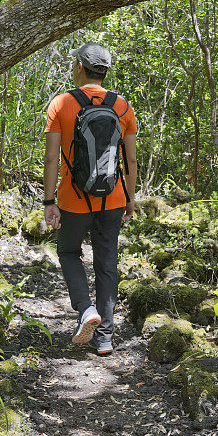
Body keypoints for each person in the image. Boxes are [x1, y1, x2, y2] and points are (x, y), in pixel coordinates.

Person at [42, 42, 137, 355]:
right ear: (105, 71)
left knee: (69, 251)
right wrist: (130, 198)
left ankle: (85, 309)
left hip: (73, 198)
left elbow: (52, 158)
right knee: (107, 262)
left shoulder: (61, 104)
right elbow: (131, 160)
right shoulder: (122, 106)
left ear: (80, 67)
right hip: (113, 197)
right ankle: (105, 338)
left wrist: (49, 201)